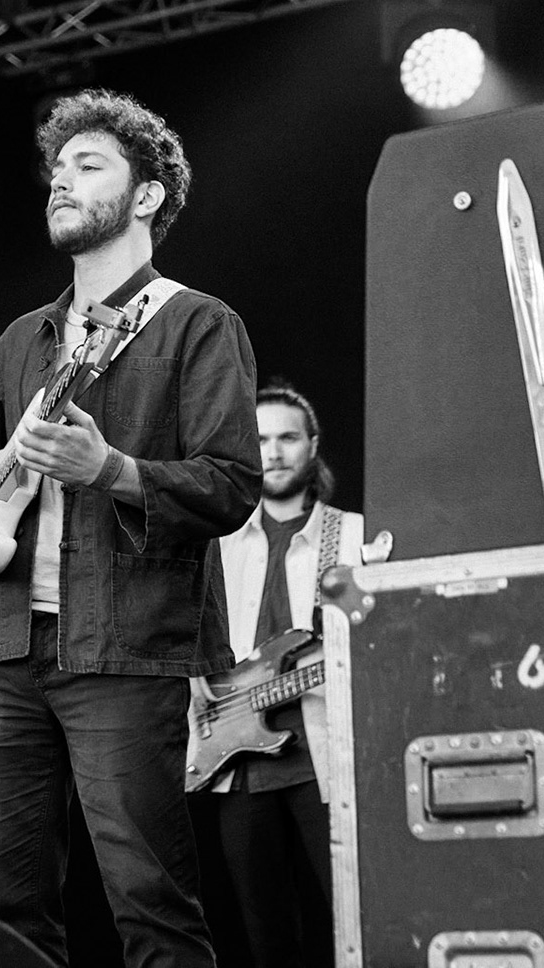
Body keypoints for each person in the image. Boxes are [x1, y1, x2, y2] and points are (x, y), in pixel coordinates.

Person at [0, 89, 259, 968]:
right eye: (56, 171)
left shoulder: (197, 323)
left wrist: (109, 470)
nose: (59, 184)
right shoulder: (21, 339)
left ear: (146, 195)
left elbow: (231, 487)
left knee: (148, 899)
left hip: (123, 649)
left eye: (88, 166)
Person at [194, 383, 363, 968]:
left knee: (355, 926)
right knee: (267, 944)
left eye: (288, 437)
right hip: (237, 766)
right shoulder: (215, 546)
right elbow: (193, 643)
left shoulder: (355, 536)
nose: (274, 451)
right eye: (260, 439)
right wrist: (195, 689)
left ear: (312, 445)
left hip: (328, 761)